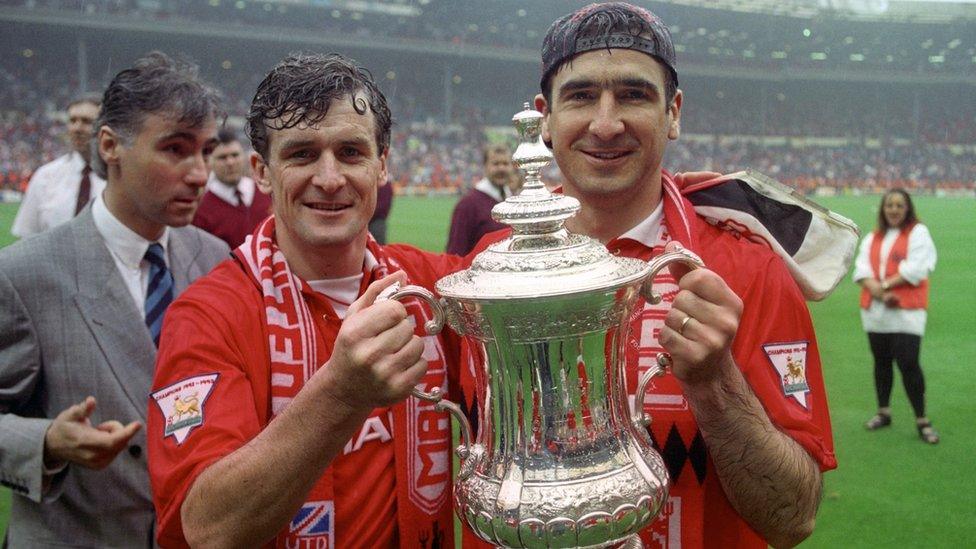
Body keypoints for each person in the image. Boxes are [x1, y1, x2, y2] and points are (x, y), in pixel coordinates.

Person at [462, 4, 836, 547]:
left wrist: (714, 383)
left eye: (634, 95)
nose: (606, 123)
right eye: (581, 95)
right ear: (546, 117)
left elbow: (792, 516)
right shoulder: (491, 270)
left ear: (674, 112)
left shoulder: (750, 272)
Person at [147, 52, 464, 548]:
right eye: (301, 154)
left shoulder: (432, 283)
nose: (331, 178)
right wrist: (340, 393)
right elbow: (208, 529)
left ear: (382, 164)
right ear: (262, 170)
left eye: (352, 153)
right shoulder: (206, 315)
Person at [0, 52, 228, 547]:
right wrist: (45, 442)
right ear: (110, 147)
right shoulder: (24, 273)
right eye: (175, 149)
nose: (199, 173)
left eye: (206, 151)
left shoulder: (217, 260)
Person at [853, 189, 939, 444]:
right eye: (889, 205)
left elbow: (917, 267)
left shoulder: (918, 233)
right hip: (876, 310)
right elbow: (862, 269)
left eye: (899, 205)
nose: (894, 209)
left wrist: (885, 287)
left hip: (907, 310)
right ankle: (884, 412)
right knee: (881, 361)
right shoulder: (873, 236)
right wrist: (879, 293)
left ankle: (922, 419)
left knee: (908, 362)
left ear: (907, 208)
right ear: (883, 208)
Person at [11, 94, 107, 238]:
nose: (77, 128)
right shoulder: (45, 176)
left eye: (87, 121)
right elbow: (26, 237)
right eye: (72, 120)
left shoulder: (121, 177)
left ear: (105, 128)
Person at [191, 128, 272, 248]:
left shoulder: (267, 193)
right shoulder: (200, 209)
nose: (230, 162)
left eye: (235, 155)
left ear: (245, 157)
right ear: (209, 162)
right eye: (222, 157)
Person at [445, 143, 518, 255]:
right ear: (485, 166)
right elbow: (455, 254)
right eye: (496, 164)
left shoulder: (513, 202)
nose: (501, 168)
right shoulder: (468, 205)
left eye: (505, 163)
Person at [368, 178, 394, 244]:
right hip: (370, 221)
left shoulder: (385, 185)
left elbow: (382, 206)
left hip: (377, 221)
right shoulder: (372, 182)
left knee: (377, 244)